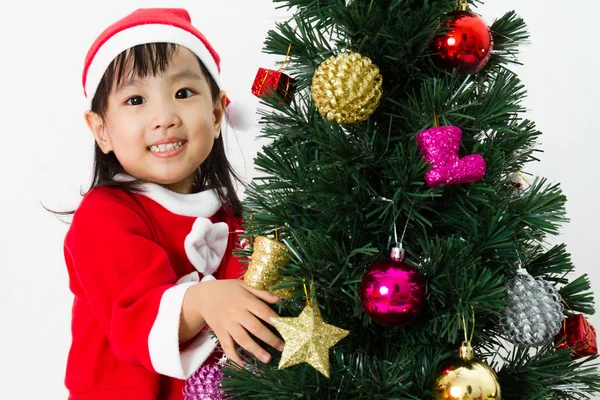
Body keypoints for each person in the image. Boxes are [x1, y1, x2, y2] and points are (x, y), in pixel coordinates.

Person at [63, 7, 284, 400]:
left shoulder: (235, 219)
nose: (164, 117)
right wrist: (205, 299)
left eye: (183, 93)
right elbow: (132, 315)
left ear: (217, 114)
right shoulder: (104, 216)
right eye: (135, 99)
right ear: (101, 129)